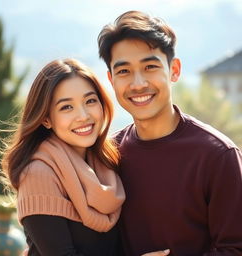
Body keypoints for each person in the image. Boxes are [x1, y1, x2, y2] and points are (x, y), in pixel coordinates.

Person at [97, 10, 242, 256]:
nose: (138, 83)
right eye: (124, 71)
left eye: (150, 66)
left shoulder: (217, 156)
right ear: (111, 80)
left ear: (174, 70)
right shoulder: (108, 155)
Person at [0, 58, 126, 255]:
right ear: (46, 119)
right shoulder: (38, 173)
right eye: (66, 107)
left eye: (90, 101)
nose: (83, 116)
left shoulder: (107, 165)